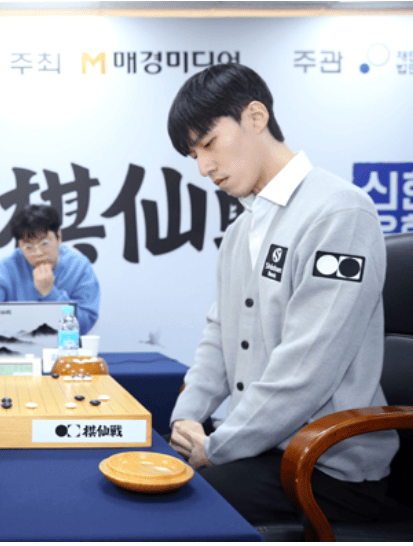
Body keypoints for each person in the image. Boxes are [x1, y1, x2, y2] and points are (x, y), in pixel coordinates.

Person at [165, 64, 399, 526]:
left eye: (209, 143)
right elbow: (218, 336)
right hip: (259, 449)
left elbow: (307, 367)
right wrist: (186, 419)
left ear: (256, 117)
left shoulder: (339, 212)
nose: (204, 167)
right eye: (193, 155)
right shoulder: (241, 231)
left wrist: (219, 445)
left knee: (182, 506)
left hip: (324, 464)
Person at [0, 204, 100, 349]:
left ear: (59, 237)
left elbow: (86, 322)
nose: (38, 253)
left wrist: (50, 293)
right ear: (19, 246)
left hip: (63, 353)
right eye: (28, 247)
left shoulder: (79, 267)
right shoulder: (5, 269)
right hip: (12, 352)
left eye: (45, 243)